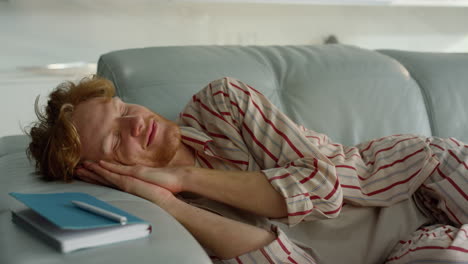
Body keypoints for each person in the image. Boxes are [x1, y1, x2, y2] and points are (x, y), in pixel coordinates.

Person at [27, 76, 467, 263]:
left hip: (415, 177)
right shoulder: (172, 222)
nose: (136, 122)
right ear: (103, 172)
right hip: (410, 249)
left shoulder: (222, 105)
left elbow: (326, 185)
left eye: (122, 107)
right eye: (114, 139)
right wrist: (170, 201)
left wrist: (185, 176)